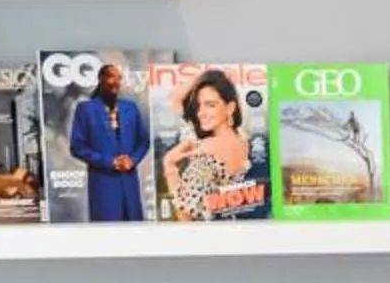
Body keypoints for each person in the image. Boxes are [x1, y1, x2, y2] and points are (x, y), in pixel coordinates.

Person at [159, 68, 256, 220]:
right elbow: (176, 99)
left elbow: (186, 218)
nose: (200, 113)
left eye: (210, 105)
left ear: (230, 108)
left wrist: (169, 165)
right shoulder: (243, 140)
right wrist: (210, 75)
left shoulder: (206, 149)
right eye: (199, 105)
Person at [65, 60, 146, 221]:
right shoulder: (86, 109)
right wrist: (110, 162)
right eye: (111, 77)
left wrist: (133, 160)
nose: (116, 82)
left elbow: (143, 141)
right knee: (106, 236)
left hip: (129, 183)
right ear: (100, 79)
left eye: (119, 78)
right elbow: (77, 147)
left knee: (136, 235)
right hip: (103, 185)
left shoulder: (131, 107)